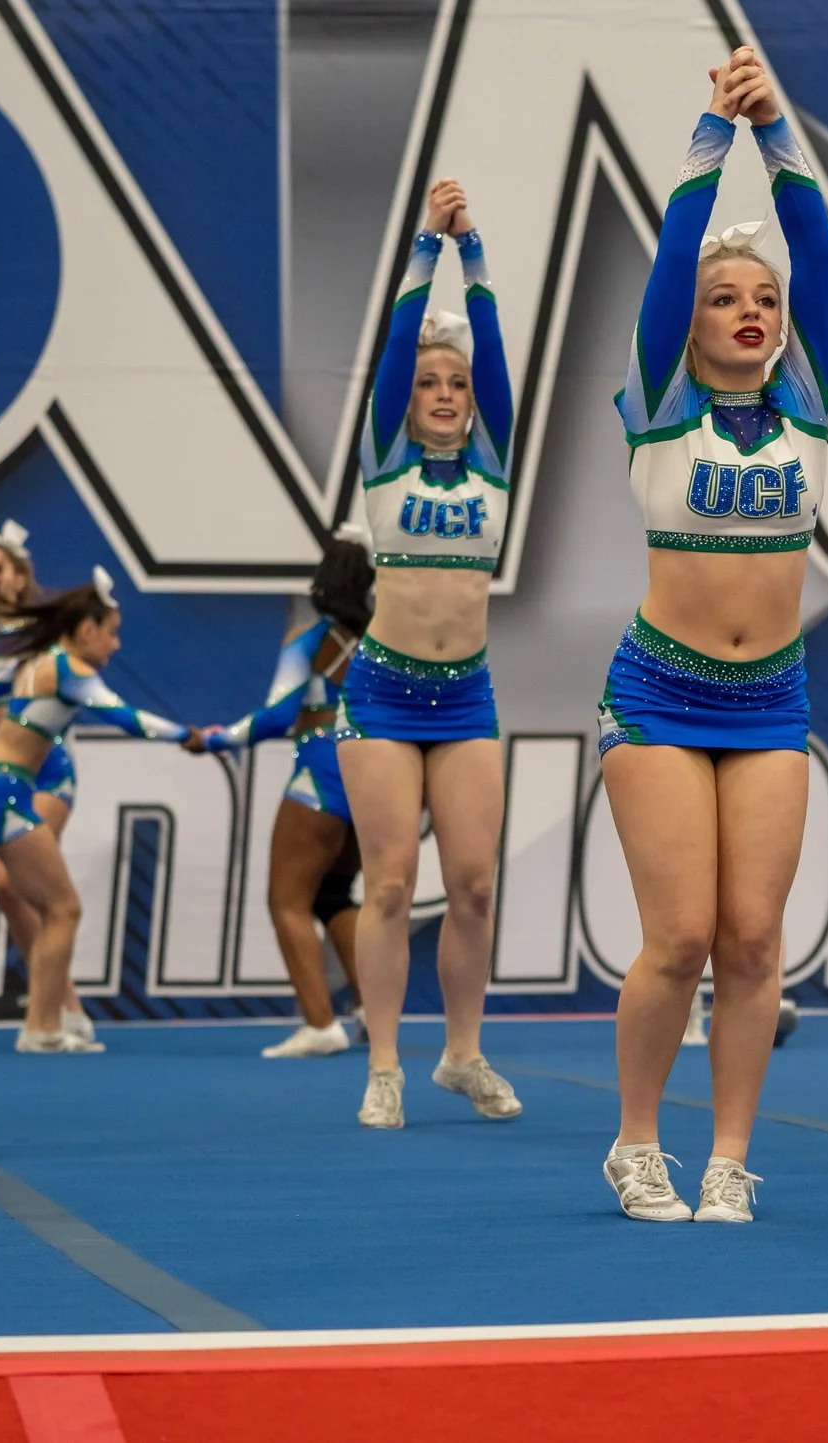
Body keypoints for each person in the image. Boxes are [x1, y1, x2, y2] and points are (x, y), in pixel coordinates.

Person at [597, 47, 828, 1223]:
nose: (751, 311)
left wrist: (777, 132)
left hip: (771, 699)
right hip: (659, 692)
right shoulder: (659, 402)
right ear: (686, 325)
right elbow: (671, 260)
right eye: (724, 298)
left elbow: (820, 261)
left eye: (764, 301)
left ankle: (729, 1156)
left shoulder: (808, 406)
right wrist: (714, 131)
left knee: (752, 941)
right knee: (681, 933)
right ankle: (637, 1140)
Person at [334, 178, 521, 1129]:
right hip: (383, 693)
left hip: (465, 695)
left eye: (456, 384)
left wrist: (474, 254)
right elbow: (398, 342)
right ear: (405, 401)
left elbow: (495, 360)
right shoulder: (386, 459)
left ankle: (461, 1051)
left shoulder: (493, 459)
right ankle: (383, 1063)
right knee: (392, 882)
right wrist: (427, 248)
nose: (445, 395)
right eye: (428, 384)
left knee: (476, 883)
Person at [0, 571, 194, 1049]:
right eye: (111, 632)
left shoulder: (33, 663)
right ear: (87, 629)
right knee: (63, 908)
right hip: (7, 795)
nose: (116, 645)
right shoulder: (68, 667)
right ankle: (43, 1027)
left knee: (53, 908)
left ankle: (45, 1023)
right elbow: (123, 715)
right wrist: (189, 736)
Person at [193, 527, 374, 1059]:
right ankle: (374, 1009)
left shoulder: (308, 639)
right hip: (372, 778)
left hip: (321, 773)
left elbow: (276, 717)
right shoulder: (382, 643)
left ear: (322, 580)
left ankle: (320, 1023)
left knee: (286, 900)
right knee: (334, 895)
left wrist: (217, 739)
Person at [0, 520, 93, 1048]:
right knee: (5, 888)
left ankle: (50, 1014)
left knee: (24, 884)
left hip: (47, 771)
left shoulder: (43, 639)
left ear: (19, 577)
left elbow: (71, 693)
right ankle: (61, 1004)